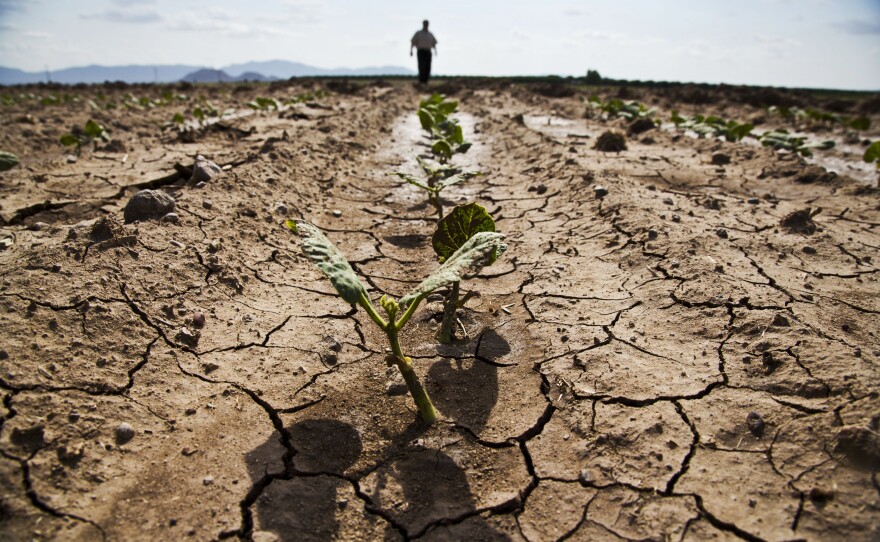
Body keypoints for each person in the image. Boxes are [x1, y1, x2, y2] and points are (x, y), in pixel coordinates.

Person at [410, 20, 438, 84]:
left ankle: (426, 81)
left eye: (427, 24)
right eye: (425, 24)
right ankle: (421, 81)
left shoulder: (430, 34)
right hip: (421, 51)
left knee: (428, 67)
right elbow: (412, 42)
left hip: (428, 51)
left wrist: (435, 51)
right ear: (423, 24)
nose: (426, 25)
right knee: (422, 66)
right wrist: (411, 51)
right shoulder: (418, 33)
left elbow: (434, 44)